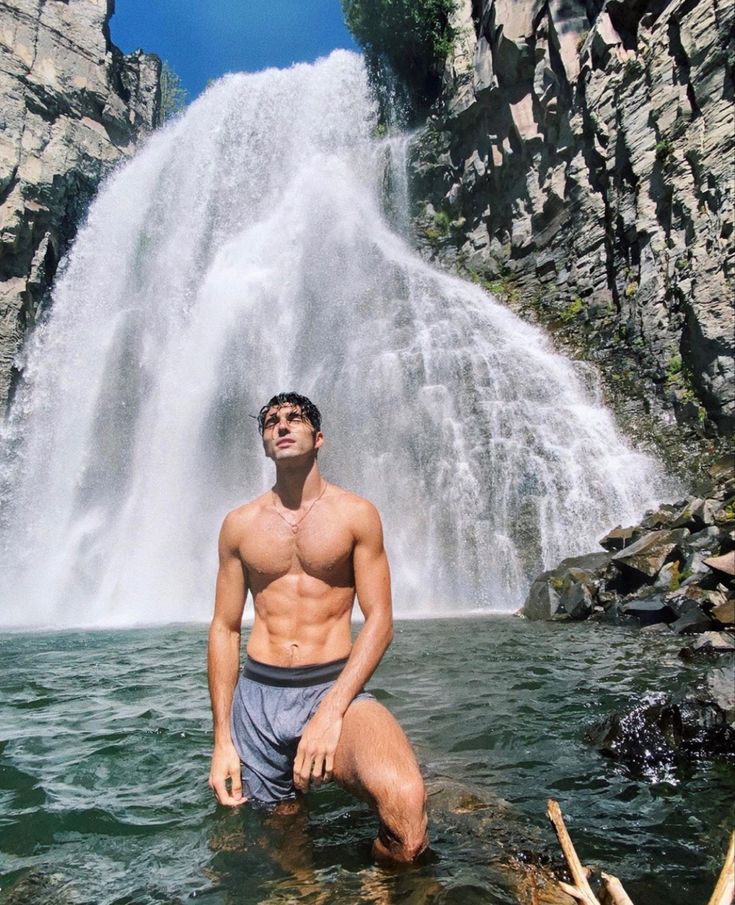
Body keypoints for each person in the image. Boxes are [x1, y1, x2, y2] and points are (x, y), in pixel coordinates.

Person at [207, 392, 428, 863]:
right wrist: (223, 740)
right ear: (265, 444)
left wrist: (330, 712)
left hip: (332, 688)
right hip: (258, 700)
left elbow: (381, 620)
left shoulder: (356, 514)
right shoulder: (238, 525)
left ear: (318, 437)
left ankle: (384, 886)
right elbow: (225, 629)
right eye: (270, 422)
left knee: (406, 813)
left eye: (294, 419)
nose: (281, 426)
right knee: (282, 832)